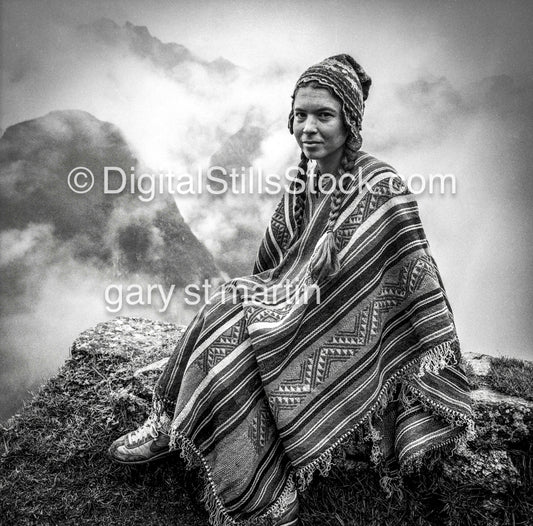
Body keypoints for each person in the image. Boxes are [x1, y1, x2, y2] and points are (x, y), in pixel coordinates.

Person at [108, 54, 474, 526]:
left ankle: (270, 499)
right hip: (296, 301)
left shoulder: (380, 184)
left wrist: (297, 300)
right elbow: (276, 266)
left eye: (324, 115)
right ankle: (169, 423)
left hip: (344, 325)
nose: (309, 127)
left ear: (350, 120)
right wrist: (276, 297)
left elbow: (406, 275)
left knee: (239, 352)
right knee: (227, 300)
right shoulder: (304, 180)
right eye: (301, 114)